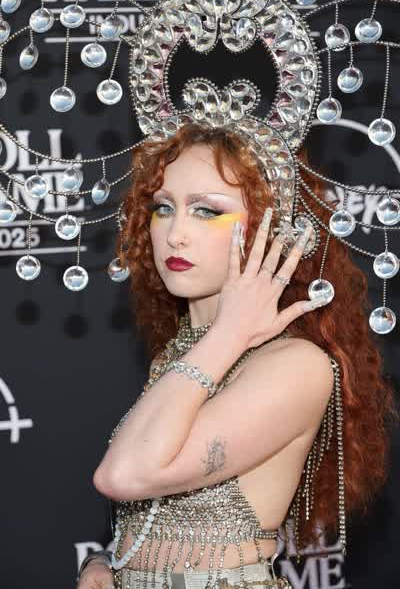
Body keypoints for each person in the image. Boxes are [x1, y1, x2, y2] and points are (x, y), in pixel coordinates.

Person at [76, 124, 397, 589]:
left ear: (271, 227)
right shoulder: (180, 354)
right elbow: (149, 517)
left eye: (207, 210)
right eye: (163, 207)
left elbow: (123, 474)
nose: (175, 234)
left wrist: (229, 333)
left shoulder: (296, 365)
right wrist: (103, 565)